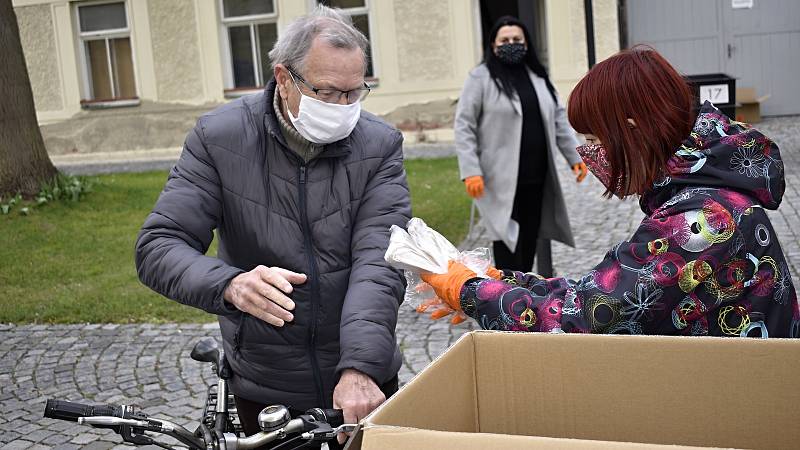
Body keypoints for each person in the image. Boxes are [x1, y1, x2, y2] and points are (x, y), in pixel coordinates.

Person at [134, 6, 411, 446]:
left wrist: (360, 368)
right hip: (265, 382)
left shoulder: (378, 145)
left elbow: (379, 260)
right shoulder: (219, 137)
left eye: (355, 93)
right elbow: (158, 245)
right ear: (284, 78)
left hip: (364, 380)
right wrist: (231, 285)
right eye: (327, 92)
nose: (343, 108)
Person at [422, 47, 798, 338]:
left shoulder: (701, 220)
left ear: (632, 132)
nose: (589, 154)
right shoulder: (703, 193)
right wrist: (501, 281)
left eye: (592, 140)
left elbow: (586, 318)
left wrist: (470, 291)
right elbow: (605, 288)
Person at [454, 16, 588, 273]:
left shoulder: (538, 77)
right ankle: (506, 297)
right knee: (506, 240)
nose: (511, 44)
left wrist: (576, 156)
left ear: (526, 43)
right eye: (505, 40)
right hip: (498, 179)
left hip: (536, 176)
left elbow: (558, 118)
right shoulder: (480, 78)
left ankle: (523, 293)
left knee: (529, 237)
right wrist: (470, 170)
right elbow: (464, 126)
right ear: (493, 44)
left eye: (517, 39)